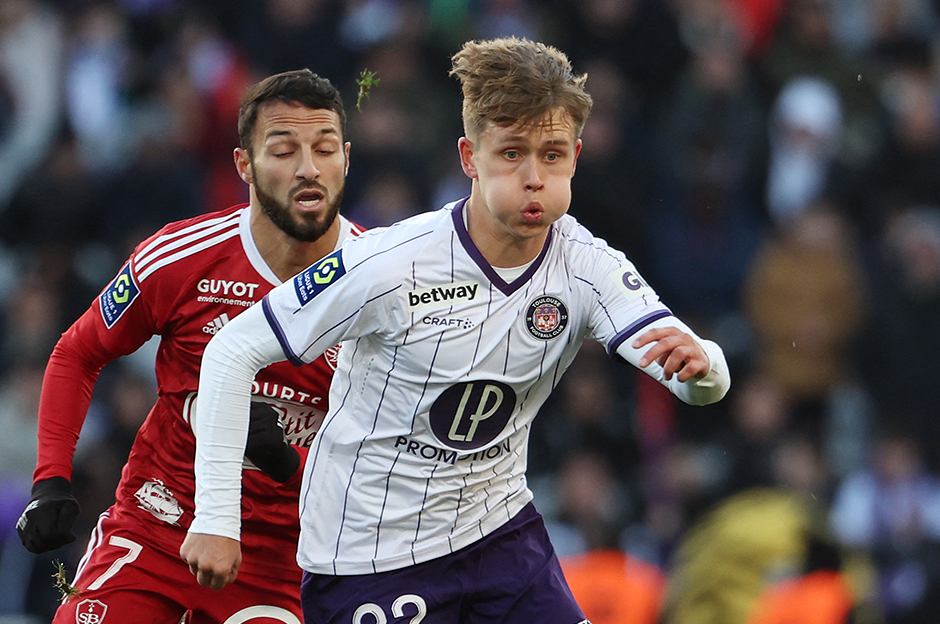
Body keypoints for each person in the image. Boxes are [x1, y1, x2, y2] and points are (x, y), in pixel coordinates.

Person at [182, 37, 731, 623]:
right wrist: (215, 517)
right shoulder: (390, 263)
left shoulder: (589, 265)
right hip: (371, 555)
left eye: (551, 155)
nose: (534, 177)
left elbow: (693, 377)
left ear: (575, 156)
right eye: (511, 154)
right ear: (470, 157)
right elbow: (231, 349)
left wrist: (704, 368)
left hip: (499, 534)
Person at [15, 68, 363, 623]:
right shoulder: (180, 256)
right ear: (244, 165)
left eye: (324, 150)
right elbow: (78, 352)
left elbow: (395, 458)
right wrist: (51, 481)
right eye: (283, 151)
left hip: (287, 561)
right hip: (158, 529)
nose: (307, 168)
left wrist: (287, 463)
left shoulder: (382, 285)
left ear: (345, 159)